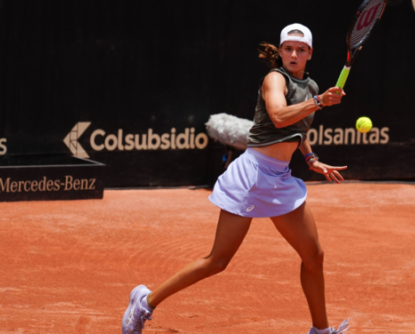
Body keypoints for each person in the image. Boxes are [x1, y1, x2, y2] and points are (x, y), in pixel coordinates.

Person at [121, 23, 351, 334]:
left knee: (314, 255)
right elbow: (279, 116)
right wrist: (320, 102)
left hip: (280, 179)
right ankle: (145, 301)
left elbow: (298, 126)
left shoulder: (311, 87)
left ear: (310, 53)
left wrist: (311, 159)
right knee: (218, 260)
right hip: (252, 176)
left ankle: (321, 331)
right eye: (288, 48)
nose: (293, 54)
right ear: (281, 51)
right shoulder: (274, 79)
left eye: (300, 49)